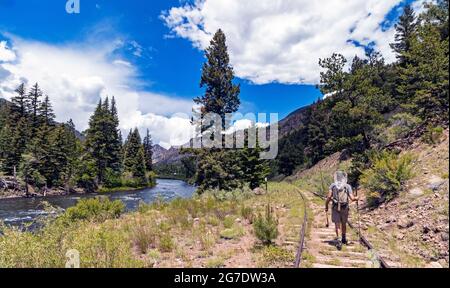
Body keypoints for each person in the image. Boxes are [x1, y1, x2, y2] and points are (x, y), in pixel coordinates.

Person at [325, 171, 358, 247]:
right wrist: (357, 198)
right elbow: (352, 198)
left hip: (335, 206)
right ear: (344, 178)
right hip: (345, 207)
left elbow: (329, 197)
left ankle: (339, 240)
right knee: (344, 223)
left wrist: (326, 205)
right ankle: (344, 238)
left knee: (337, 224)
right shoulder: (347, 186)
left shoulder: (333, 186)